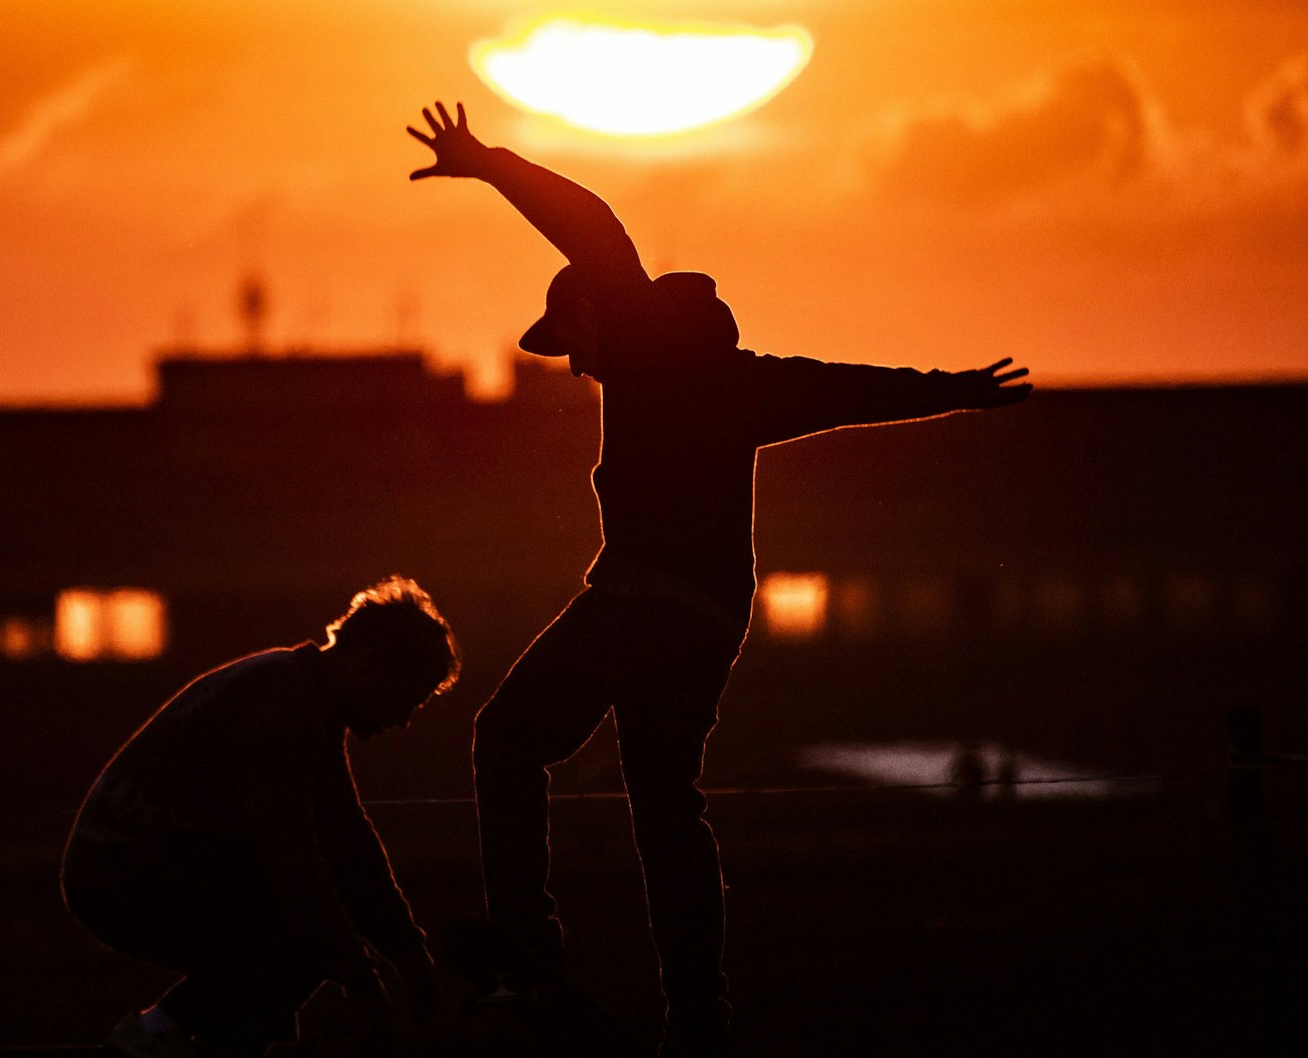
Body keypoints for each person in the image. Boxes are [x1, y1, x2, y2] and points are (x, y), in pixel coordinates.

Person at [406, 101, 1032, 1057]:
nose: (573, 363)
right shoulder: (742, 377)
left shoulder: (641, 335)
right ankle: (700, 1013)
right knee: (665, 804)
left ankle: (528, 953)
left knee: (505, 741)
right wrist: (954, 389)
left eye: (568, 339)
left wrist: (491, 163)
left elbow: (593, 225)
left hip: (641, 602)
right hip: (711, 620)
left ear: (592, 309)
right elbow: (851, 389)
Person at [62, 576, 459, 1058]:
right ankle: (159, 1036)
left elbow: (349, 843)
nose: (402, 721)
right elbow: (296, 857)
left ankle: (190, 1035)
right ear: (371, 667)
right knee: (302, 927)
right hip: (124, 873)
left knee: (308, 929)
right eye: (408, 701)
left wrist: (406, 955)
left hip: (136, 863)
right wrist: (364, 976)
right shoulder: (281, 711)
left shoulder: (299, 694)